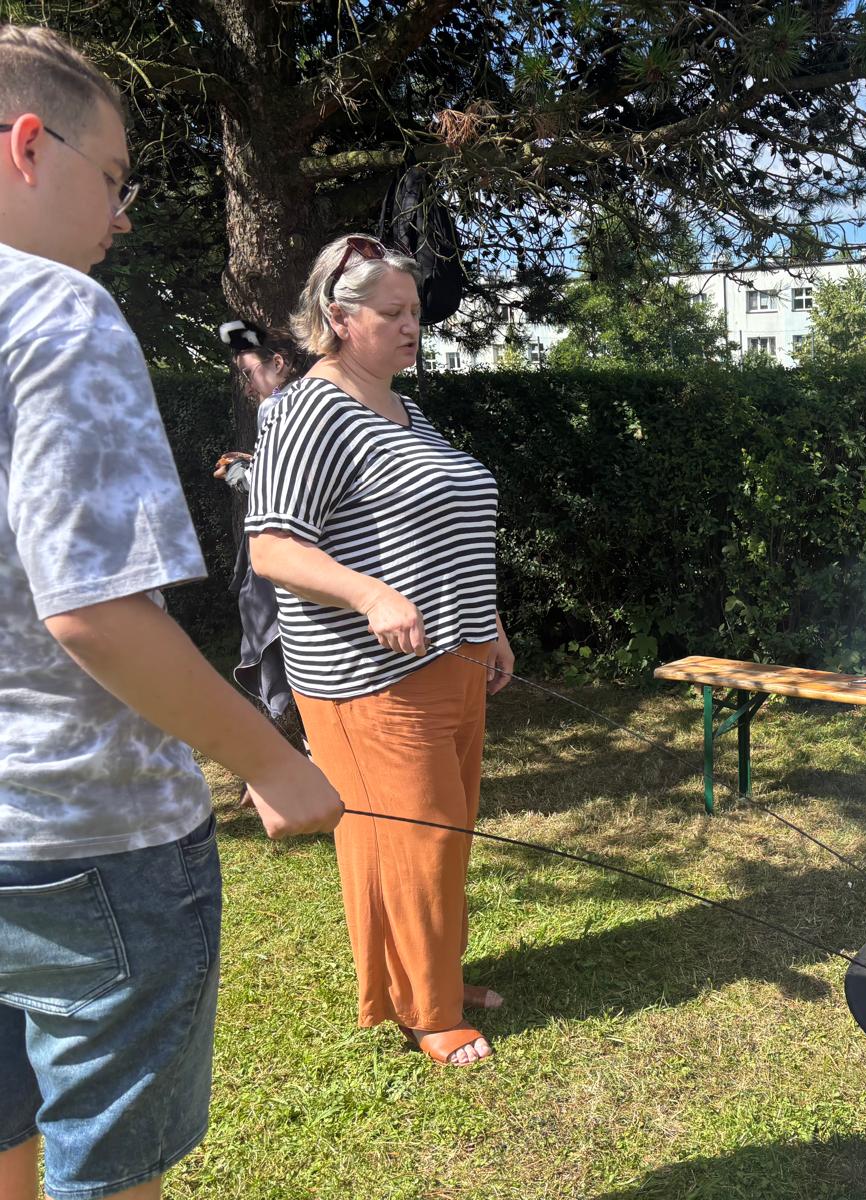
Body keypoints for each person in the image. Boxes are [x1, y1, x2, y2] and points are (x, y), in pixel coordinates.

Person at [0, 24, 343, 1200]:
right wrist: (274, 761)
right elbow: (93, 610)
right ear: (27, 145)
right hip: (84, 845)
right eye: (113, 179)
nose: (122, 217)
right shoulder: (58, 311)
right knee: (106, 1174)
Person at [247, 233, 515, 1067]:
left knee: (445, 830)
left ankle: (431, 973)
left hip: (452, 658)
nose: (412, 327)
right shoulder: (307, 409)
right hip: (369, 678)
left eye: (415, 312)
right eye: (393, 313)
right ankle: (427, 1011)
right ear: (339, 317)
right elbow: (272, 546)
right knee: (414, 837)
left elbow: (444, 532)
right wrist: (369, 594)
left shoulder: (405, 410)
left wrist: (489, 623)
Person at [212, 322, 304, 735]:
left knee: (277, 640)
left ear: (278, 363)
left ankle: (292, 729)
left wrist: (238, 473)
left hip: (285, 547)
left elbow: (273, 489)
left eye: (249, 373)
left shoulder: (277, 406)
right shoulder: (308, 401)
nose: (247, 387)